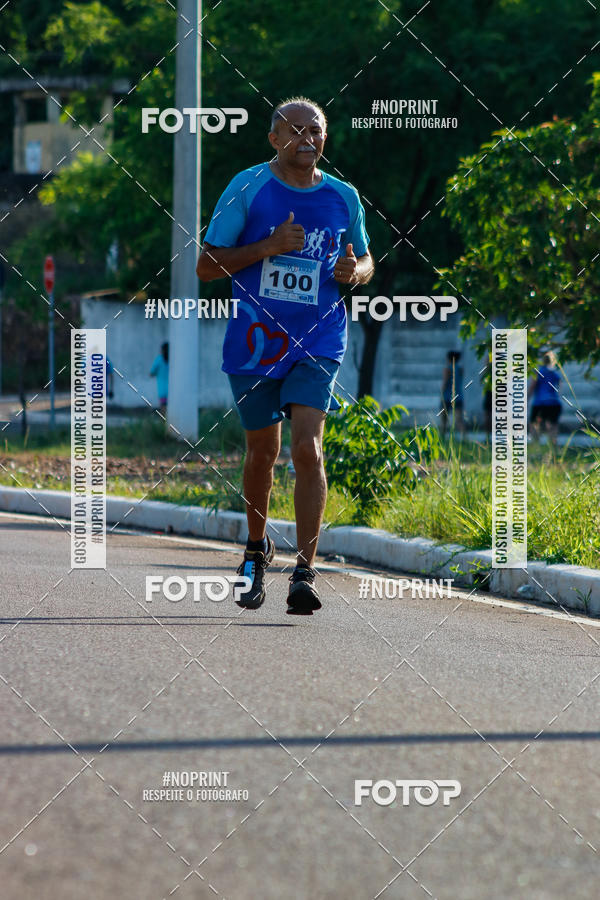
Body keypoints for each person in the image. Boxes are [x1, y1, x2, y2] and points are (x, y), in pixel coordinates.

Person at [196, 96, 374, 615]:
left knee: (307, 450)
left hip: (318, 339)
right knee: (261, 453)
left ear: (326, 138)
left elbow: (364, 259)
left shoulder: (344, 196)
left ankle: (305, 571)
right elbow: (206, 266)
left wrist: (353, 273)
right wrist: (267, 246)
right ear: (274, 139)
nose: (306, 139)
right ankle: (255, 549)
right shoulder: (247, 187)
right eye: (294, 131)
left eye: (315, 130)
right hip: (256, 342)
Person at [529, 351, 561, 442]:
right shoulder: (554, 372)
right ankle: (553, 447)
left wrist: (527, 398)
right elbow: (559, 385)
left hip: (540, 402)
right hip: (554, 402)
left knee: (533, 424)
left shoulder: (538, 371)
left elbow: (532, 386)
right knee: (553, 425)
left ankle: (535, 444)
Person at [440, 350, 465, 435]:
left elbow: (445, 382)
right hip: (458, 395)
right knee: (459, 419)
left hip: (447, 396)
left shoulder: (447, 369)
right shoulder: (460, 369)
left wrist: (441, 392)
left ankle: (442, 436)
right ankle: (464, 437)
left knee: (444, 419)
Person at [150, 342, 169, 409]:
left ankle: (164, 419)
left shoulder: (159, 359)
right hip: (172, 390)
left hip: (162, 390)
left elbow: (151, 373)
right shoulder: (174, 359)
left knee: (163, 409)